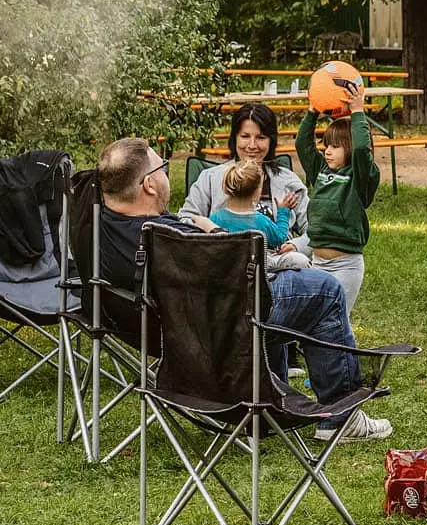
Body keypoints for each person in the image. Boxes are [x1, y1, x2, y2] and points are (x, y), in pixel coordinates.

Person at [96, 138, 391, 442]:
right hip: (223, 332)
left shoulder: (99, 226)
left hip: (173, 336)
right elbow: (237, 276)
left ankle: (271, 396)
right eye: (163, 168)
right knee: (324, 290)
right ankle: (342, 420)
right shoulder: (173, 244)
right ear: (149, 185)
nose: (166, 174)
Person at [179, 103, 312, 258]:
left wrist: (297, 245)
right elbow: (184, 221)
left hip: (279, 266)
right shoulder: (210, 178)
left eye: (261, 137)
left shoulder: (288, 181)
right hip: (225, 265)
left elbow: (316, 228)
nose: (252, 145)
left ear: (271, 140)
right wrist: (212, 231)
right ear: (234, 138)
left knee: (321, 280)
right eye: (245, 136)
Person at [294, 90, 382, 318]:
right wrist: (313, 111)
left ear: (350, 148)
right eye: (326, 145)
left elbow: (363, 150)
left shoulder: (360, 177)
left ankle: (345, 354)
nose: (327, 150)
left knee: (335, 320)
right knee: (315, 320)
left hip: (346, 266)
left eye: (335, 146)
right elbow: (303, 144)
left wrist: (357, 112)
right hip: (317, 263)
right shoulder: (321, 172)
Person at [206, 160, 311, 273]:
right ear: (257, 192)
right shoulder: (260, 221)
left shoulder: (215, 217)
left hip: (228, 266)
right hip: (258, 266)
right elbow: (280, 238)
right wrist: (283, 211)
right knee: (299, 260)